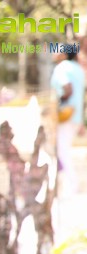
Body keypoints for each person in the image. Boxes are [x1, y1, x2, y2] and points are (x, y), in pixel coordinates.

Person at [51, 50, 84, 195]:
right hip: (76, 115)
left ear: (64, 54)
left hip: (65, 115)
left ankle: (72, 185)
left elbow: (67, 89)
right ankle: (64, 184)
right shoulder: (79, 69)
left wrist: (58, 102)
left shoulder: (62, 68)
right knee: (63, 149)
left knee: (61, 151)